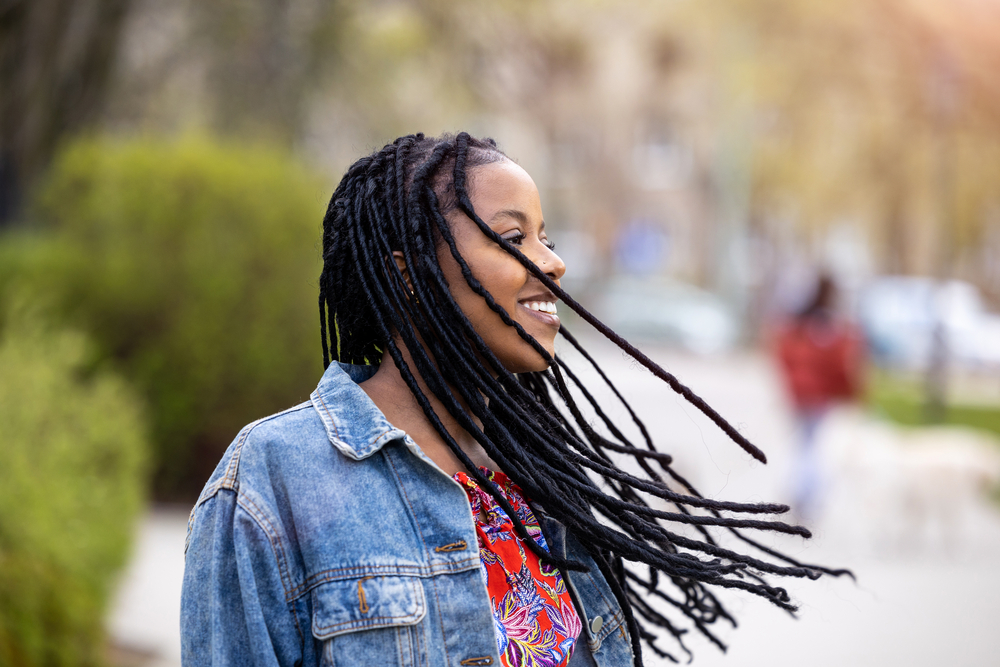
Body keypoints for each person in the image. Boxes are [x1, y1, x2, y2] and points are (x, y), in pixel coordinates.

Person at [181, 133, 846, 667]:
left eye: (546, 237)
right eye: (512, 236)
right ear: (408, 273)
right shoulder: (274, 483)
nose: (552, 262)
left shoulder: (547, 482)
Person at [773, 274, 865, 519]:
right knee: (814, 447)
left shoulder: (801, 322)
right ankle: (805, 497)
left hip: (800, 395)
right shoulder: (830, 325)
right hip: (819, 396)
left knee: (803, 443)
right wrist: (850, 391)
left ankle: (799, 494)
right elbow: (840, 364)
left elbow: (785, 354)